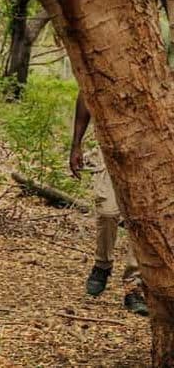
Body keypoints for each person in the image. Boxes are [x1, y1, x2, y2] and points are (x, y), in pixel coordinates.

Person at [69, 92, 148, 316]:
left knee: (139, 219)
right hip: (109, 147)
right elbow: (85, 95)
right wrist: (76, 144)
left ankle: (133, 286)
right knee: (107, 212)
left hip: (145, 150)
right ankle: (102, 264)